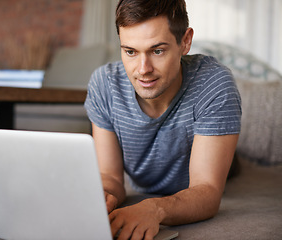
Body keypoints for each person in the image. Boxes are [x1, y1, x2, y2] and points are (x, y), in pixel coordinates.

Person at [84, 0, 242, 239]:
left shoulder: (214, 83)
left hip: (214, 161)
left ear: (185, 42)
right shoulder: (104, 85)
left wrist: (155, 208)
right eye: (130, 52)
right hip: (150, 175)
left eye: (157, 51)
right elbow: (112, 177)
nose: (143, 69)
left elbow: (207, 191)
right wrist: (102, 196)